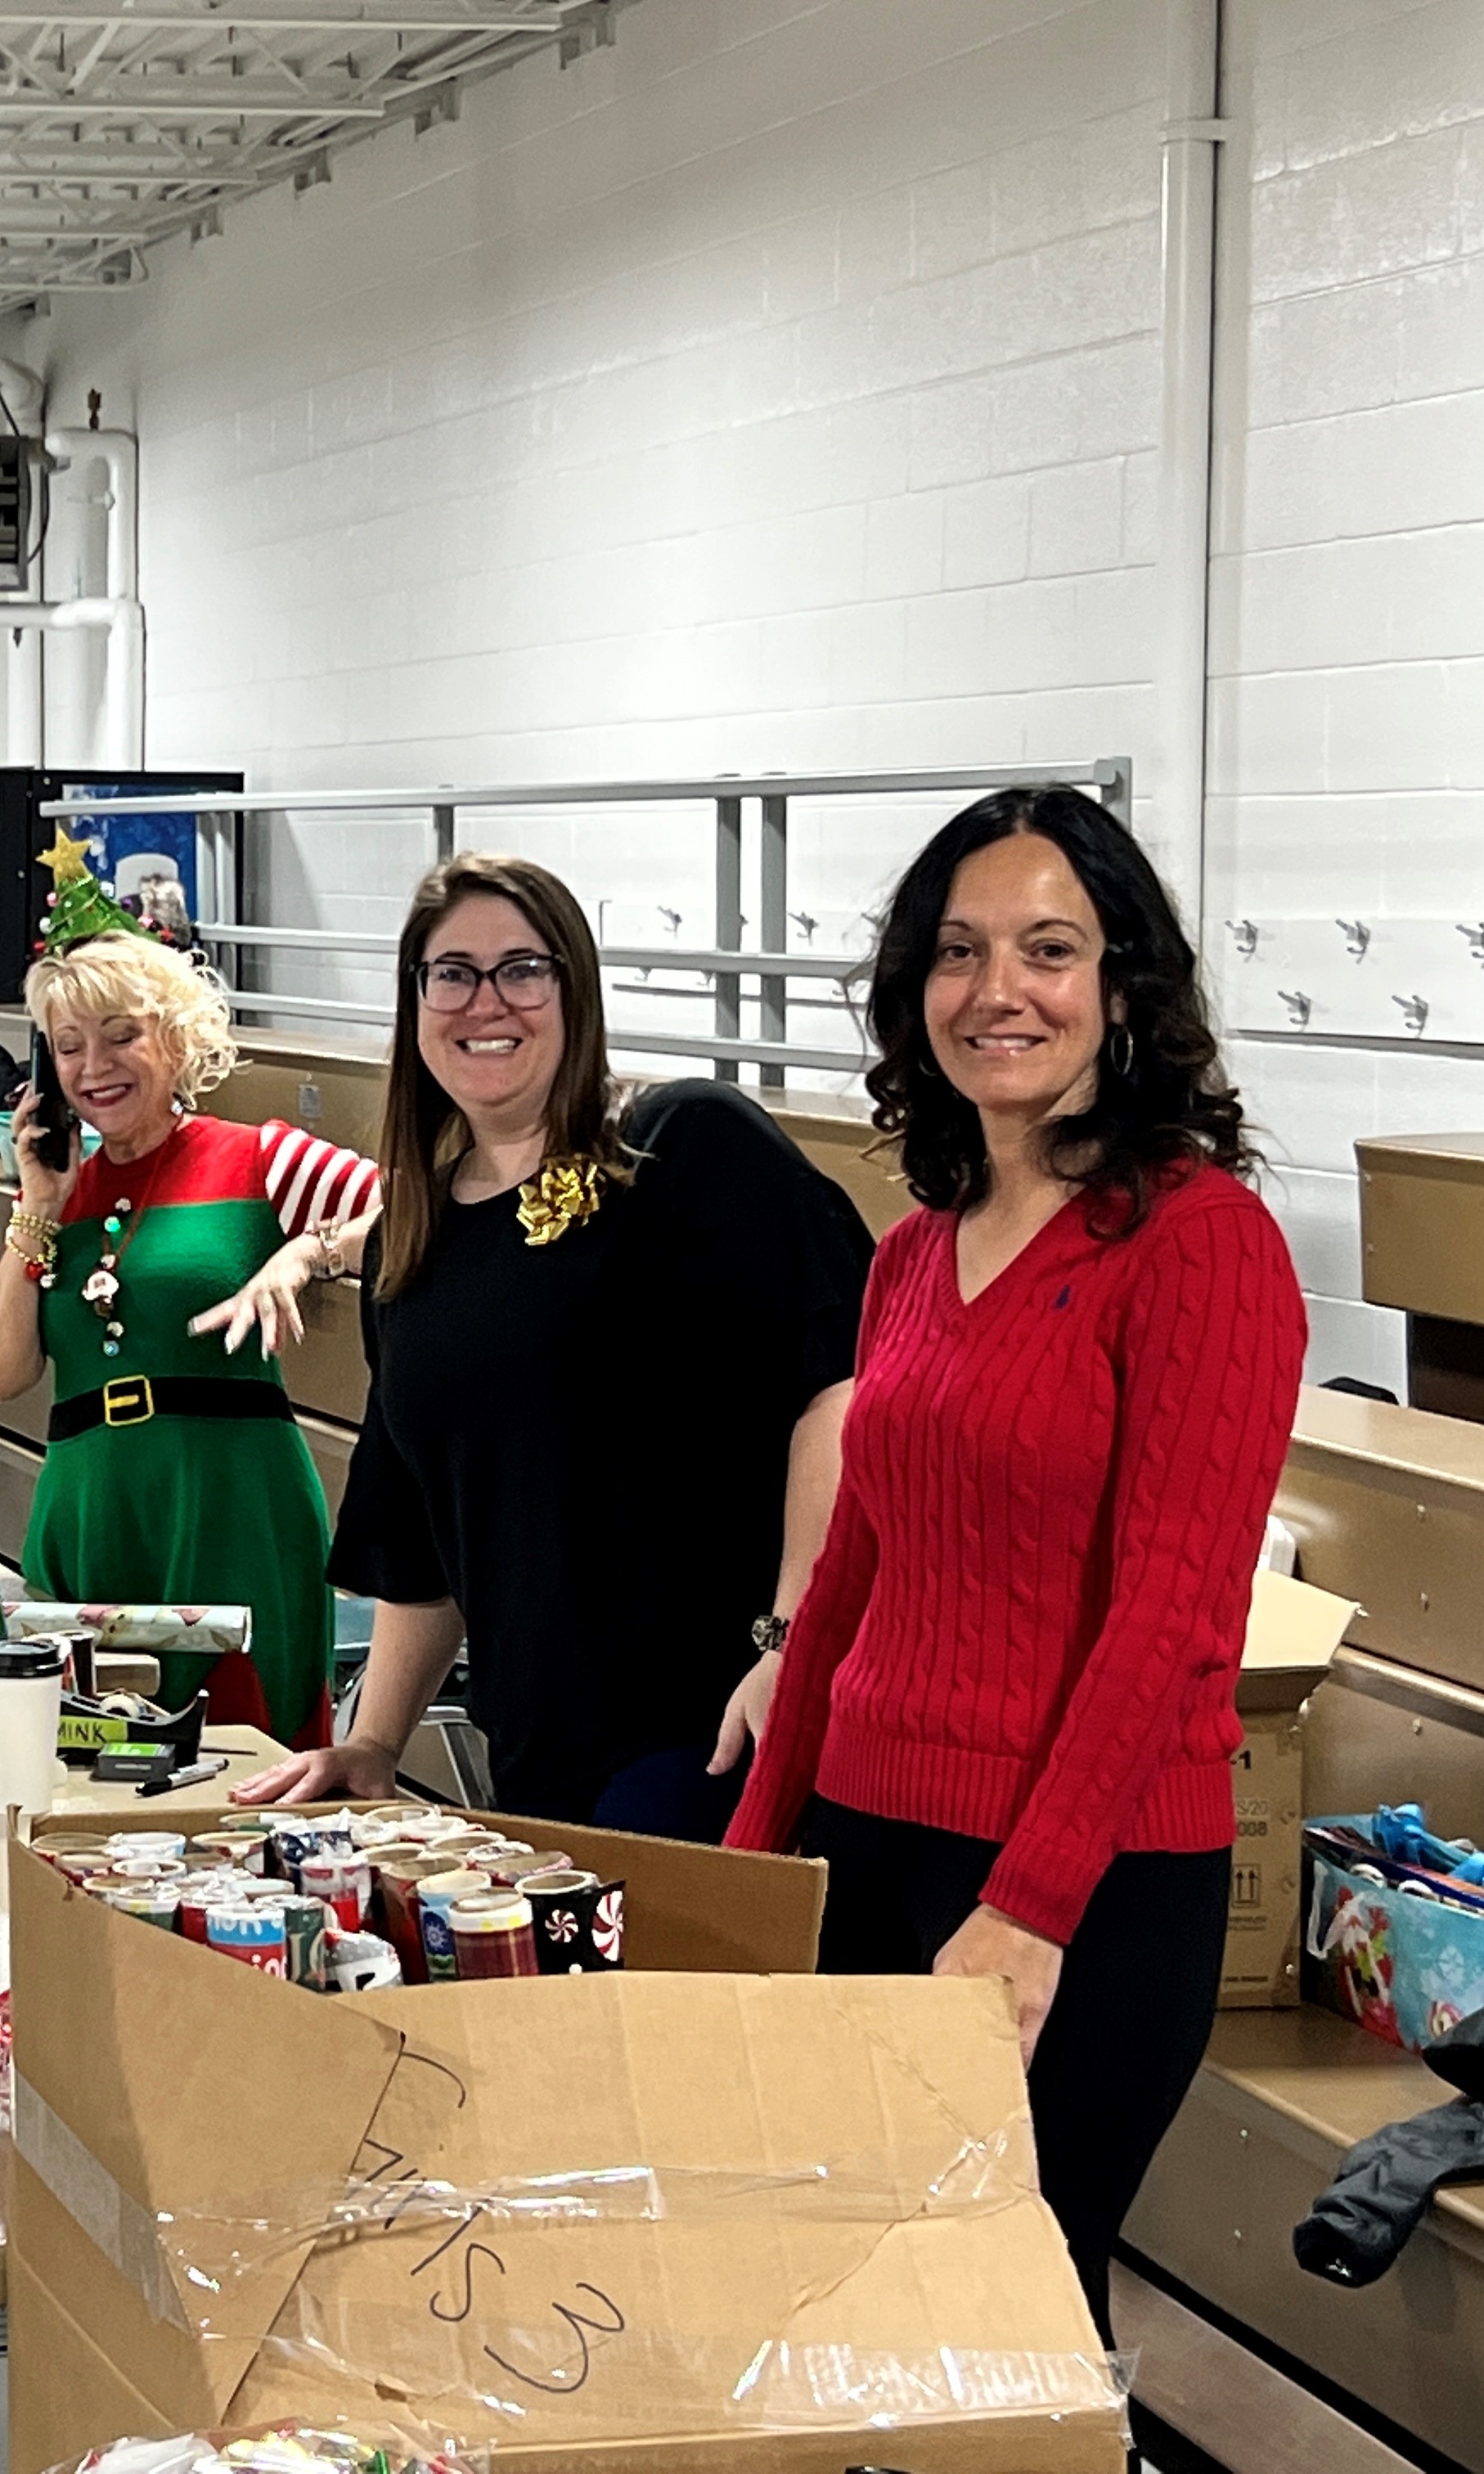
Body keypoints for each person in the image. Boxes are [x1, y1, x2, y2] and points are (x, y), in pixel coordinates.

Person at [726, 785, 1305, 2337]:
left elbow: (1176, 1609)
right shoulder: (917, 1246)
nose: (1000, 990)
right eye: (959, 950)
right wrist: (756, 1842)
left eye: (1048, 947)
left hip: (1087, 1878)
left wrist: (1030, 1906)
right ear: (915, 992)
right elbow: (852, 1565)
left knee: (1008, 2308)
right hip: (868, 1827)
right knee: (856, 2297)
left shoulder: (1200, 1241)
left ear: (1122, 986)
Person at [236, 853, 875, 1838]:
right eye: (452, 973)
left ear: (575, 987)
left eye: (522, 969)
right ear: (415, 1005)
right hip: (535, 1760)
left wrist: (791, 1643)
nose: (486, 1002)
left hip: (711, 1734)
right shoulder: (415, 1244)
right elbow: (423, 1542)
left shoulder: (685, 1148)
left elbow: (833, 1387)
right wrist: (373, 1744)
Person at [0, 851, 380, 1746]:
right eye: (68, 1047)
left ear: (176, 1039)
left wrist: (308, 1253)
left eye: (119, 1036)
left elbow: (416, 1219)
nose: (92, 1066)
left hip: (232, 1510)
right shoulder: (55, 1190)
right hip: (95, 1506)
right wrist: (35, 1210)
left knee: (246, 1763)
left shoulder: (259, 1156)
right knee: (90, 1771)